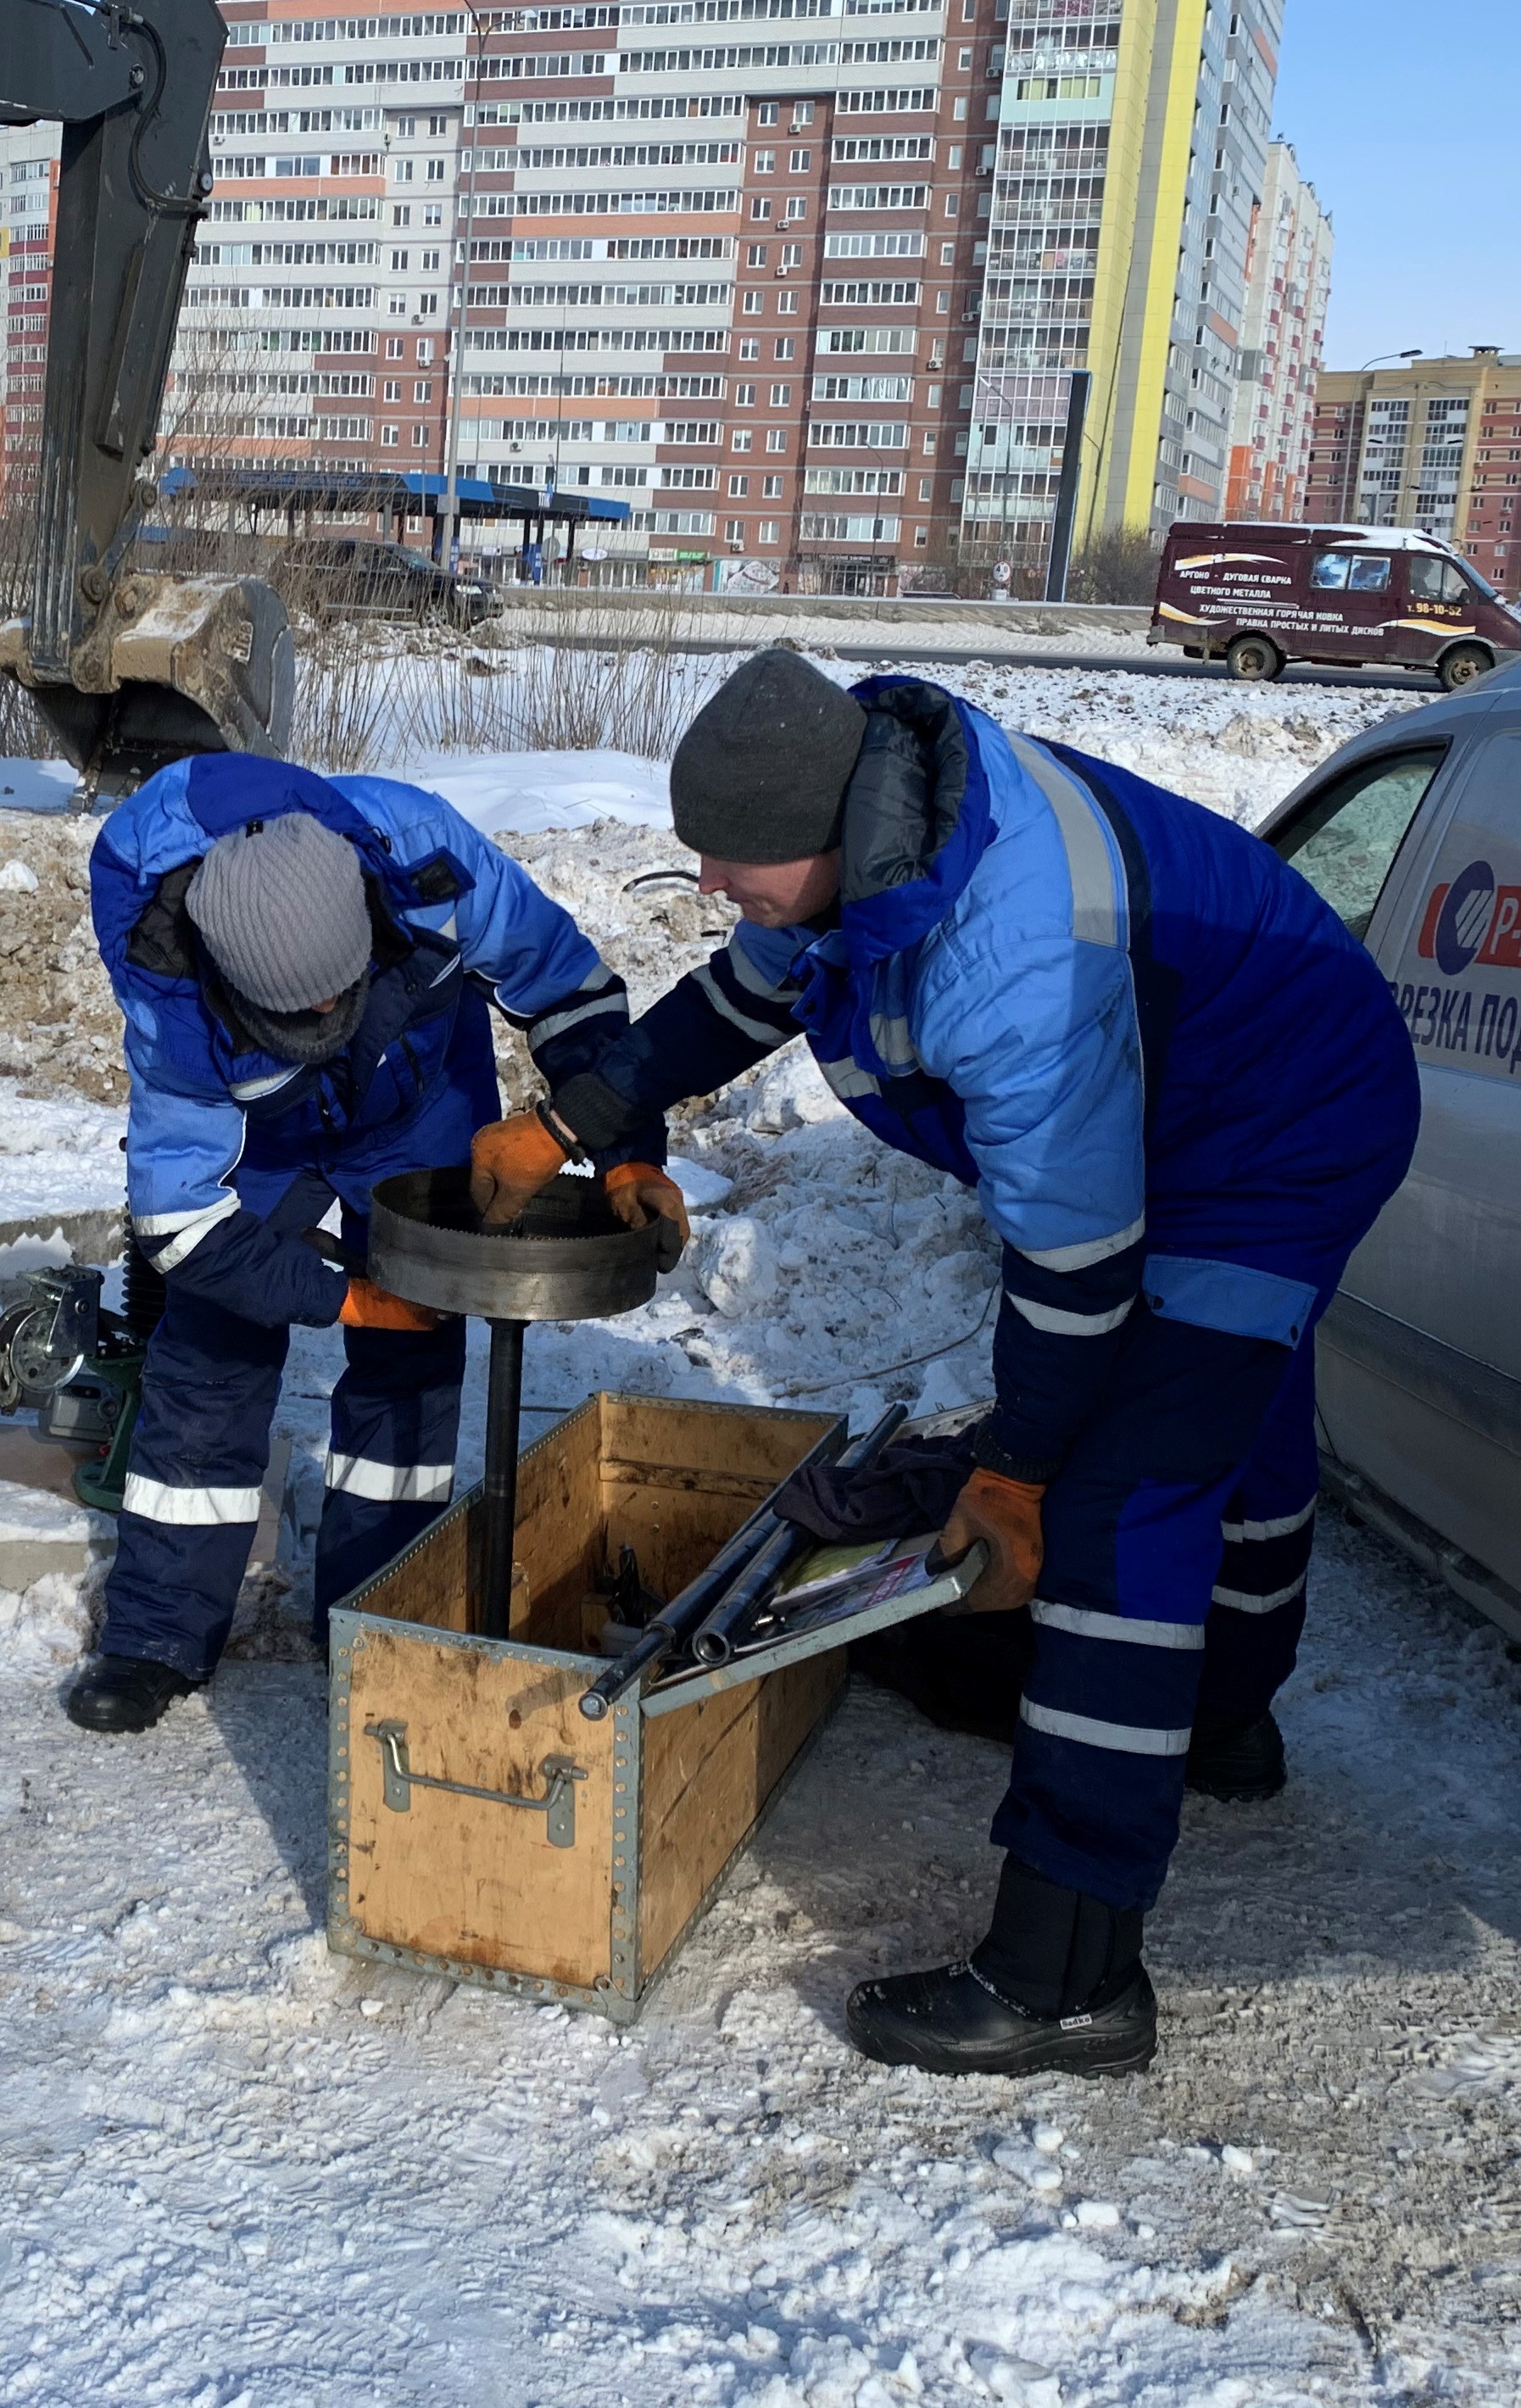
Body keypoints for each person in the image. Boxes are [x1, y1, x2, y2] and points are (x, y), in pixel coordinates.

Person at [471, 650, 1419, 2076]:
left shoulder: (1013, 951)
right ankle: (1220, 1713)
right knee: (1231, 1406)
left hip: (1272, 1131)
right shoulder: (875, 832)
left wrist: (1020, 1466)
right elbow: (745, 992)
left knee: (1119, 1502)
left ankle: (1065, 1971)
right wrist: (574, 1118)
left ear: (826, 830)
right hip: (1197, 1090)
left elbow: (1078, 1265)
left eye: (737, 862)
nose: (720, 882)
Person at [66, 753, 680, 1735]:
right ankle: (157, 1636)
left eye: (332, 994)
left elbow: (571, 991)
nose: (319, 1017)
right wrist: (348, 1295)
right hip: (261, 1142)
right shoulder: (171, 997)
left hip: (419, 1099)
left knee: (414, 1351)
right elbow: (180, 1228)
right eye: (292, 1014)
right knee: (212, 1355)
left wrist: (623, 1154)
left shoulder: (430, 862)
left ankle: (377, 1612)